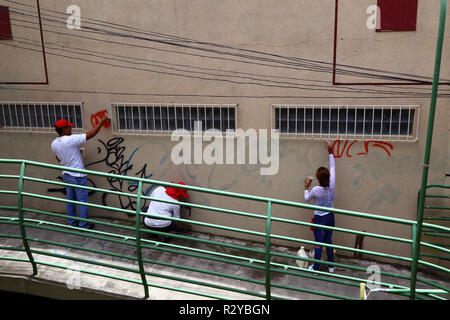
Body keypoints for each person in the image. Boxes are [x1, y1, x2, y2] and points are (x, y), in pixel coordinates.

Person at [51, 116, 109, 229]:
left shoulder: (54, 143)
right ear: (64, 129)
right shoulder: (70, 139)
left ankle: (72, 223)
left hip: (66, 174)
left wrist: (72, 155)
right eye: (69, 127)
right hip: (77, 175)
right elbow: (91, 134)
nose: (71, 129)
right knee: (82, 200)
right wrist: (101, 122)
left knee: (70, 199)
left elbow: (59, 159)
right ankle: (83, 224)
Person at [304, 142, 336, 273]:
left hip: (319, 219)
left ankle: (315, 267)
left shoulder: (316, 190)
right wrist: (330, 151)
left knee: (318, 243)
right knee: (328, 241)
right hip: (330, 217)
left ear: (317, 178)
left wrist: (306, 186)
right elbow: (333, 167)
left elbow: (306, 198)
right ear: (328, 176)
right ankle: (331, 267)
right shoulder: (332, 184)